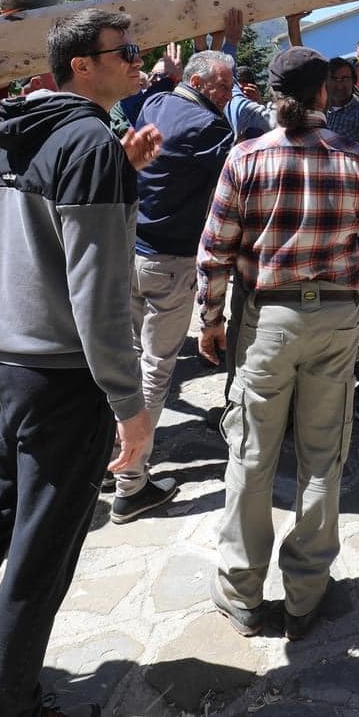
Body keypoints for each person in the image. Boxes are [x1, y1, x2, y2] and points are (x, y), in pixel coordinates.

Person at [0, 9, 162, 717]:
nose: (139, 61)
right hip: (60, 377)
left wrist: (123, 170)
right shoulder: (89, 142)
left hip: (4, 357)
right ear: (82, 65)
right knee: (41, 553)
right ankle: (9, 702)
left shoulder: (24, 129)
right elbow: (98, 292)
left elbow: (36, 230)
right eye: (128, 52)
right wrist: (129, 403)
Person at [196, 47, 359, 640]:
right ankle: (306, 593)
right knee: (322, 456)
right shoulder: (357, 159)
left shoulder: (246, 156)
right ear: (324, 94)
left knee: (252, 454)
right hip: (333, 317)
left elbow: (216, 250)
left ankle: (241, 592)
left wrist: (211, 319)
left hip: (268, 319)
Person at [114, 47, 239, 523]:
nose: (229, 94)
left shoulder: (155, 102)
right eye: (224, 87)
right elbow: (229, 189)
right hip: (171, 260)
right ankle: (132, 481)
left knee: (125, 361)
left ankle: (114, 457)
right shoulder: (212, 129)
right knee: (156, 369)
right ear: (203, 83)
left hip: (131, 250)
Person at [322, 55, 359, 148]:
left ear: (353, 81)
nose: (339, 84)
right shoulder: (319, 112)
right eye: (334, 78)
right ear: (325, 82)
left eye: (345, 78)